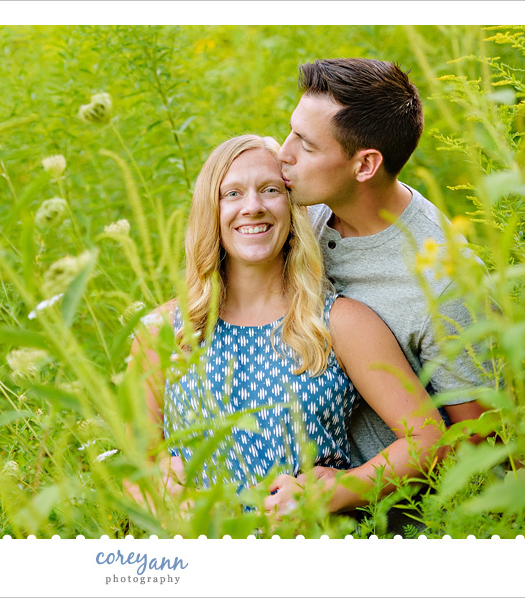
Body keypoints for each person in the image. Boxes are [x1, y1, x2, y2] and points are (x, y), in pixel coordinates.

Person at [125, 134, 444, 516]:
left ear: (293, 208)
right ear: (210, 209)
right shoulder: (163, 331)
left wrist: (337, 491)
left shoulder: (339, 323)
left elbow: (429, 440)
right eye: (232, 194)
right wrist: (165, 496)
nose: (253, 207)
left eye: (270, 190)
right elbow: (133, 467)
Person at [276, 58, 489, 471]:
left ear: (365, 165)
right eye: (291, 131)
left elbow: (479, 439)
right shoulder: (308, 213)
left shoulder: (446, 281)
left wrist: (343, 491)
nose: (283, 153)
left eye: (307, 144)